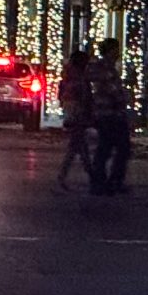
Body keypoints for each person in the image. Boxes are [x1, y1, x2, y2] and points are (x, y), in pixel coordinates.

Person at [88, 39, 133, 194]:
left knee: (113, 148)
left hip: (110, 114)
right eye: (115, 50)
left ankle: (108, 180)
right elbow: (111, 90)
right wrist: (123, 99)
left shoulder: (109, 69)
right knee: (112, 148)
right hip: (108, 114)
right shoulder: (104, 70)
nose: (118, 53)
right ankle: (106, 181)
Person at [54, 46, 94, 190]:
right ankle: (92, 176)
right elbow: (84, 97)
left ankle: (89, 175)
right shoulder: (79, 79)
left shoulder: (68, 78)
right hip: (78, 115)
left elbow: (62, 96)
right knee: (79, 147)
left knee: (77, 147)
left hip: (72, 114)